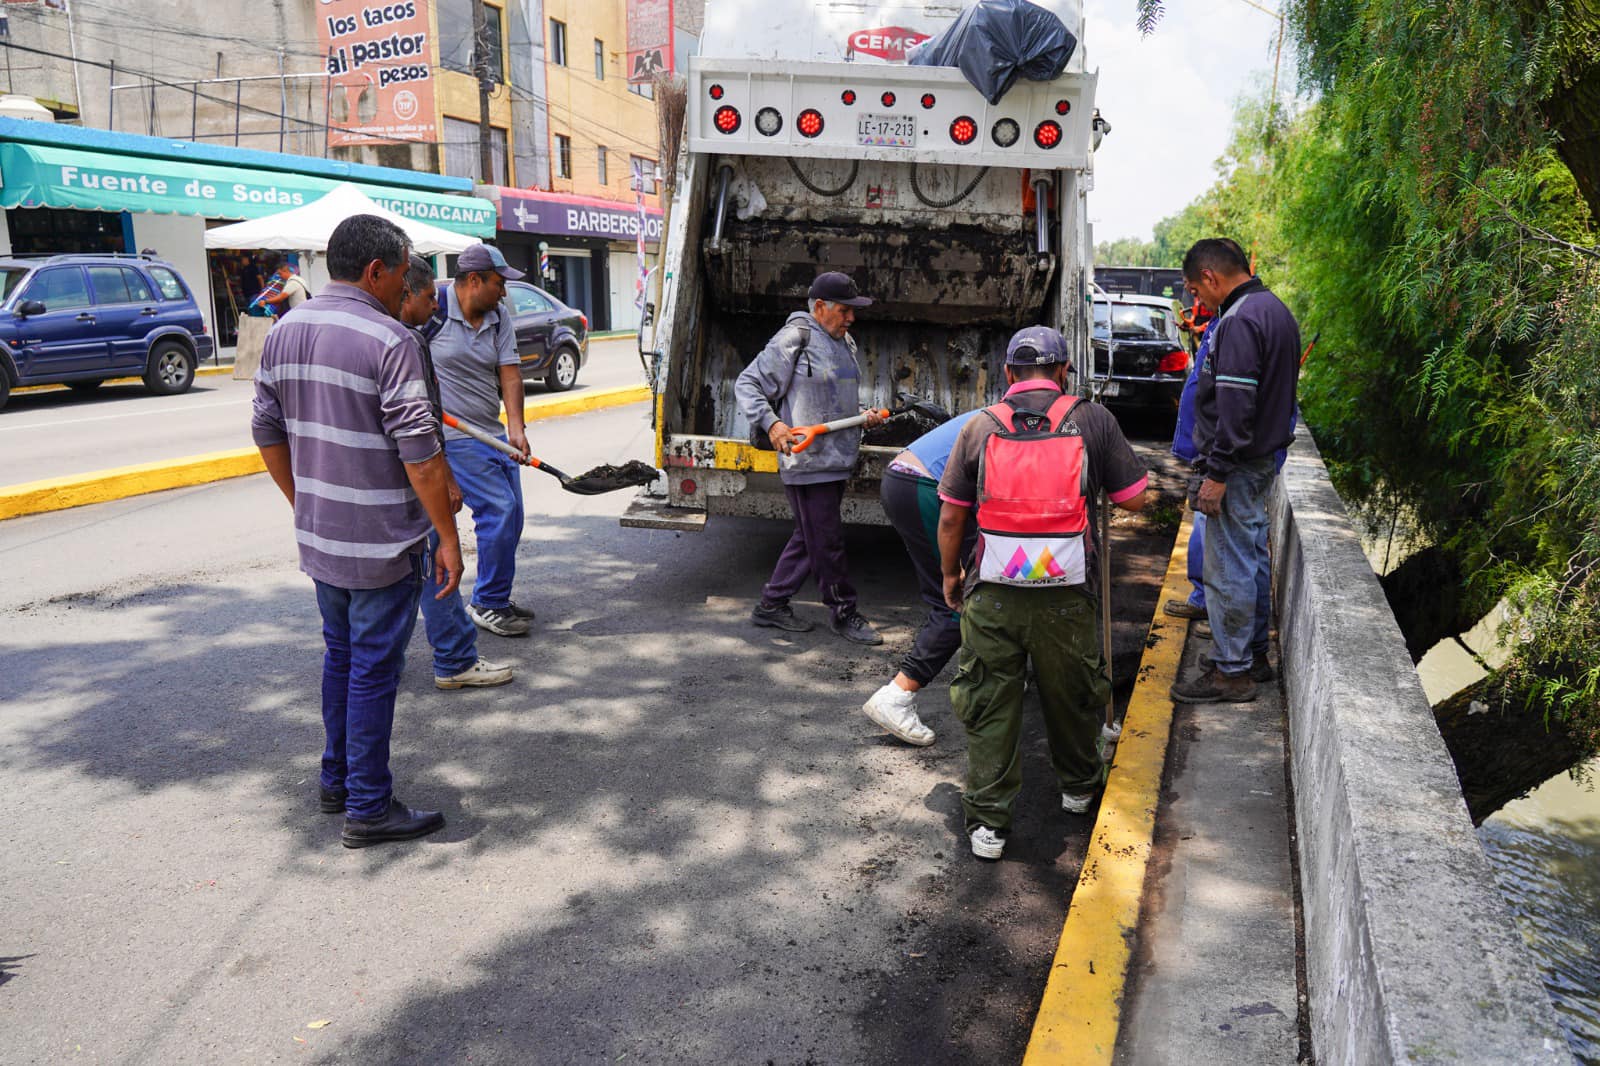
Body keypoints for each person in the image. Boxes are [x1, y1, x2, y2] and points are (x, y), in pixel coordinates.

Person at [251, 214, 459, 849]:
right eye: (401, 273)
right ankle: (368, 806)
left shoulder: (285, 329)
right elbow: (421, 458)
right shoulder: (389, 339)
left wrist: (304, 501)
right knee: (371, 668)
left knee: (341, 657)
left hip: (322, 538)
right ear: (376, 271)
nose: (406, 286)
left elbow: (265, 428)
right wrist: (448, 538)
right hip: (381, 543)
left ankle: (337, 781)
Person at [937, 326, 1148, 861]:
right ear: (1062, 372)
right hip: (1067, 592)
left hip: (993, 592)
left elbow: (950, 516)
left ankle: (987, 823)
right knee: (1073, 691)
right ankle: (1078, 788)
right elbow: (1136, 499)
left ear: (1008, 374)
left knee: (990, 700)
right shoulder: (1093, 419)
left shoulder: (980, 426)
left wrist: (949, 577)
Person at [1169, 238, 1301, 704]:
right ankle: (1251, 657)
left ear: (1210, 276)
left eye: (1193, 289)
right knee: (1249, 557)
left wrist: (1217, 473)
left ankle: (1232, 673)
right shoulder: (1274, 310)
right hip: (1260, 459)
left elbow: (1237, 406)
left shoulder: (1241, 320)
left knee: (1228, 567)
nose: (1194, 302)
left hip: (1238, 464)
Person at [735, 271, 887, 645]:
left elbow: (834, 398)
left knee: (810, 537)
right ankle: (843, 612)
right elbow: (748, 383)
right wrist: (773, 426)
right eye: (845, 310)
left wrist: (863, 415)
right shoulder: (796, 337)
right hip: (807, 462)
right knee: (828, 541)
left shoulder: (845, 342)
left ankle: (771, 604)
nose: (851, 318)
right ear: (820, 307)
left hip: (836, 458)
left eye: (854, 311)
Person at [398, 253, 515, 690]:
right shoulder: (405, 338)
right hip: (408, 469)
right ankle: (454, 657)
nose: (435, 306)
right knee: (432, 557)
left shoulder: (310, 329)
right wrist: (444, 485)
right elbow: (418, 428)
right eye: (429, 297)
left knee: (397, 569)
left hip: (352, 493)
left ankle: (377, 663)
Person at [423, 243, 534, 638]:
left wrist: (516, 428)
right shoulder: (430, 309)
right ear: (474, 280)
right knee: (499, 512)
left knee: (513, 517)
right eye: (498, 283)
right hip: (455, 436)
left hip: (493, 433)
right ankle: (487, 603)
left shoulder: (497, 316)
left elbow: (510, 374)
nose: (504, 292)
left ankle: (496, 596)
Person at [860, 408, 983, 746]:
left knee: (970, 589)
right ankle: (897, 695)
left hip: (906, 476)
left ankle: (985, 673)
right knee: (959, 599)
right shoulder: (1027, 422)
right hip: (924, 485)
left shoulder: (1009, 408)